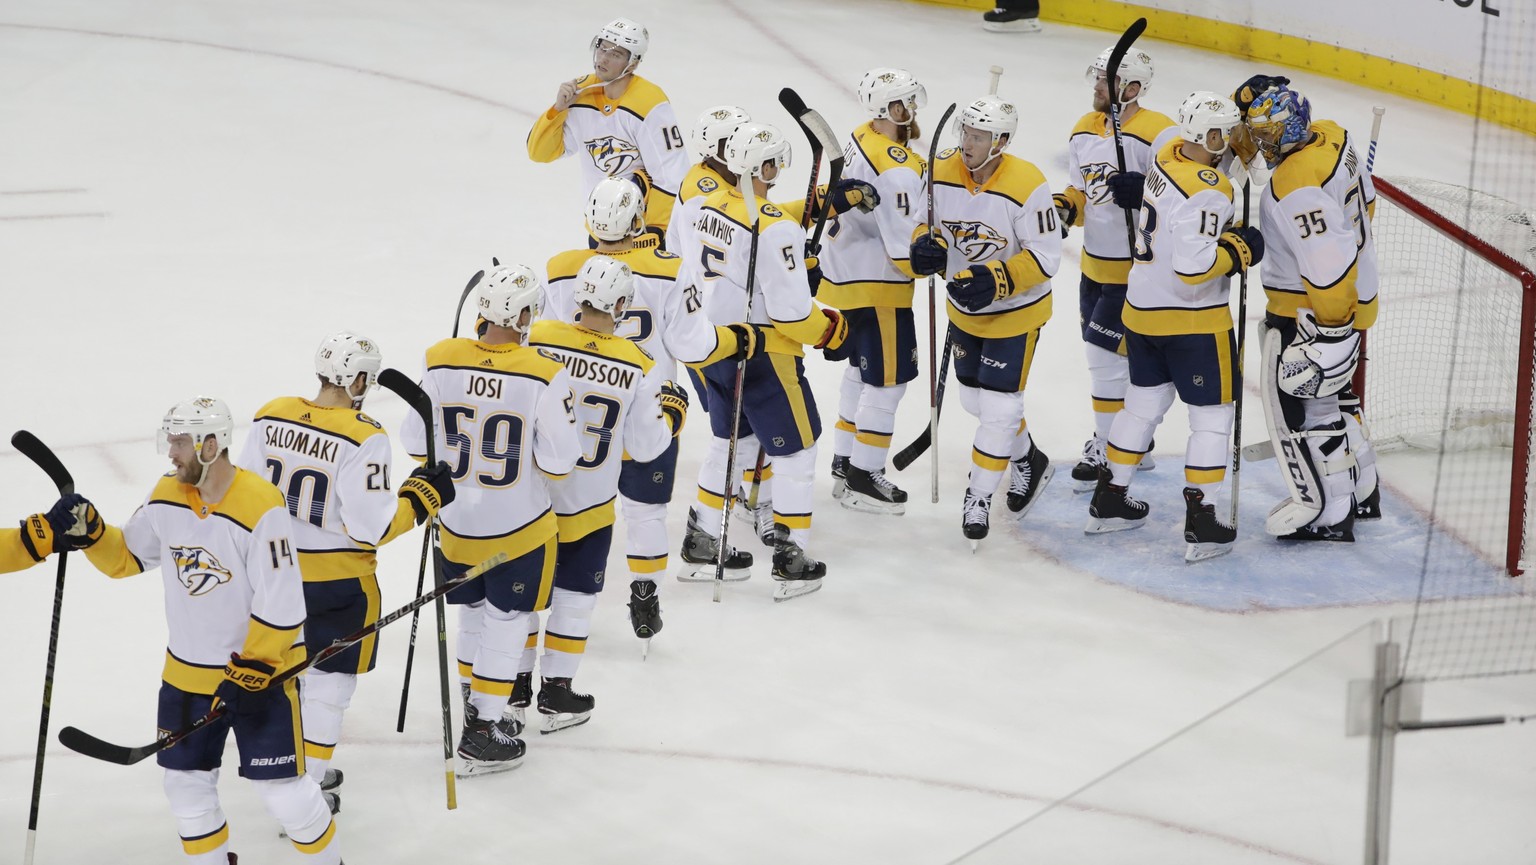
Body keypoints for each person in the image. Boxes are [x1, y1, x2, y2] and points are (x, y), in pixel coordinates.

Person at [64, 397, 342, 863]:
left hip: (259, 676)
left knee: (283, 791)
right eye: (169, 441)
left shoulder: (260, 505)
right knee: (185, 785)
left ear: (211, 445)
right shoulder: (166, 495)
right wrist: (92, 532)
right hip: (186, 676)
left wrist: (253, 670)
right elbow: (127, 556)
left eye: (179, 443)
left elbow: (283, 603)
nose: (171, 454)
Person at [235, 332, 454, 801]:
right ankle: (306, 787)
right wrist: (419, 501)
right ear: (357, 379)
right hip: (337, 585)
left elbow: (245, 498)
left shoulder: (271, 413)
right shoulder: (363, 436)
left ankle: (284, 771)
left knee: (285, 673)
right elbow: (368, 527)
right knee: (329, 684)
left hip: (271, 577)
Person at [546, 177, 758, 651]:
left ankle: (550, 603)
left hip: (577, 413)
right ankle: (645, 594)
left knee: (571, 511)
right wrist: (736, 338)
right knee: (646, 512)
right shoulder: (669, 268)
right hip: (650, 404)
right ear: (639, 219)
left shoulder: (562, 268)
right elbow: (692, 344)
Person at [400, 264, 582, 775]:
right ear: (523, 315)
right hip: (519, 529)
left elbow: (415, 442)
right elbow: (561, 462)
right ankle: (483, 729)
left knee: (473, 615)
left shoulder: (439, 358)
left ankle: (475, 708)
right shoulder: (544, 371)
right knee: (508, 623)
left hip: (455, 525)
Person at [1084, 92, 1261, 562]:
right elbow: (1194, 265)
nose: (1231, 140)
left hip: (1141, 311)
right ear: (1206, 136)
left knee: (1141, 405)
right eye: (1223, 132)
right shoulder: (1211, 190)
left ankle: (1111, 497)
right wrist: (1240, 250)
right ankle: (1203, 519)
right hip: (1193, 322)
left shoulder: (1166, 158)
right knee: (1212, 417)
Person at [686, 122, 852, 599]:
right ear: (760, 166)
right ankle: (791, 556)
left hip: (712, 346)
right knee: (797, 453)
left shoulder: (706, 207)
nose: (779, 169)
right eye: (775, 161)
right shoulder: (776, 227)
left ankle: (702, 539)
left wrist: (798, 267)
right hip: (763, 354)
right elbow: (790, 312)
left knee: (728, 445)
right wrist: (830, 328)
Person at [521, 256, 683, 727]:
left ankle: (511, 692)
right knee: (574, 598)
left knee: (525, 600)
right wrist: (673, 414)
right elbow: (645, 446)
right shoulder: (640, 363)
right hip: (589, 506)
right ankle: (556, 694)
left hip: (533, 502)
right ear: (620, 305)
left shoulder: (542, 339)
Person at [909, 95, 1061, 548]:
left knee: (998, 410)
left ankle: (978, 497)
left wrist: (998, 278)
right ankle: (1029, 457)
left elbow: (1046, 256)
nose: (967, 143)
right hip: (964, 310)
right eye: (965, 133)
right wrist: (924, 246)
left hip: (1016, 313)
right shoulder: (939, 169)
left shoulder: (1028, 183)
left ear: (1001, 141)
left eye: (977, 136)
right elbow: (923, 222)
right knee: (976, 402)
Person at [1231, 77, 1380, 540]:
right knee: (1342, 400)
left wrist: (1331, 331)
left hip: (1310, 312)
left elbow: (1326, 262)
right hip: (1355, 294)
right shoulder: (1334, 134)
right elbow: (1367, 206)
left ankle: (1329, 511)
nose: (1259, 144)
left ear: (1290, 129)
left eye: (1266, 135)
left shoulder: (1294, 180)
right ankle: (1363, 487)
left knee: (1305, 413)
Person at [1055, 46, 1179, 491]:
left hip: (1134, 273)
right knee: (1112, 362)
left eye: (1104, 80)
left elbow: (1184, 198)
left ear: (1131, 88)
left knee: (1103, 360)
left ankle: (1108, 449)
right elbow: (1081, 192)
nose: (1096, 87)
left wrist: (1145, 191)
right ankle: (1136, 446)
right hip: (1093, 268)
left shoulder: (1161, 133)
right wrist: (1066, 207)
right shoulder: (1083, 129)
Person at [822, 67, 926, 516]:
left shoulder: (862, 134)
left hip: (843, 275)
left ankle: (845, 460)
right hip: (878, 284)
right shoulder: (899, 166)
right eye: (909, 102)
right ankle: (865, 474)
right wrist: (930, 262)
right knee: (887, 384)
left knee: (859, 375)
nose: (914, 109)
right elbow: (905, 246)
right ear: (894, 109)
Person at [527, 17, 689, 246]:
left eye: (615, 54)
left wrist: (654, 231)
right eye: (602, 48)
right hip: (600, 230)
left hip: (643, 232)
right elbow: (540, 154)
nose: (603, 58)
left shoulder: (650, 103)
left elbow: (673, 175)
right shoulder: (581, 93)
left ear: (632, 64)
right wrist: (558, 109)